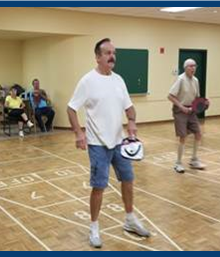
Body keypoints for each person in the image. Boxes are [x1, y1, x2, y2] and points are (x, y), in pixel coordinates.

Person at [67, 38, 150, 248]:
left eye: (114, 53)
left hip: (119, 142)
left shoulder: (119, 80)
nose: (112, 56)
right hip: (97, 144)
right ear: (97, 57)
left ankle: (130, 219)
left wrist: (131, 121)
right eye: (107, 53)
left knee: (128, 180)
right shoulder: (87, 81)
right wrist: (78, 133)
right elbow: (71, 108)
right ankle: (94, 226)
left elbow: (129, 108)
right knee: (99, 186)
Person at [168, 59, 210, 173]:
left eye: (194, 66)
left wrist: (205, 102)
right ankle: (178, 163)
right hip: (180, 110)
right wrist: (181, 107)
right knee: (183, 136)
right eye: (191, 66)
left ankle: (194, 160)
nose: (193, 68)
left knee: (198, 133)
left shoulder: (196, 80)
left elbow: (197, 99)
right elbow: (170, 96)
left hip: (191, 110)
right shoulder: (180, 79)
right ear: (185, 68)